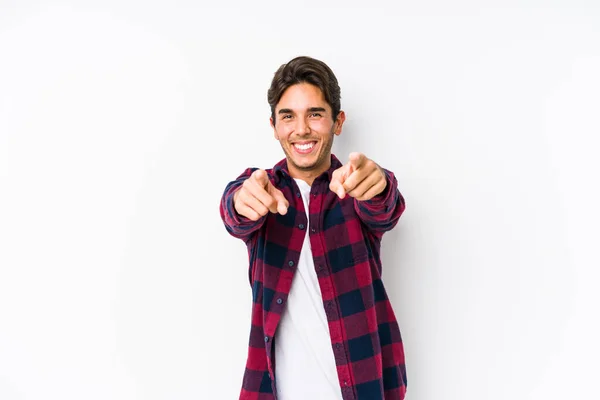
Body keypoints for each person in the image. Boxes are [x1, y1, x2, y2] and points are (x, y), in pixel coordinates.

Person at [219, 56, 407, 400]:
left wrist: (379, 185)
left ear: (338, 122)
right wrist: (238, 201)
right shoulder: (263, 189)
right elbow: (235, 211)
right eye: (288, 116)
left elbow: (386, 208)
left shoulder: (355, 184)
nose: (301, 129)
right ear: (274, 126)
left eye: (315, 114)